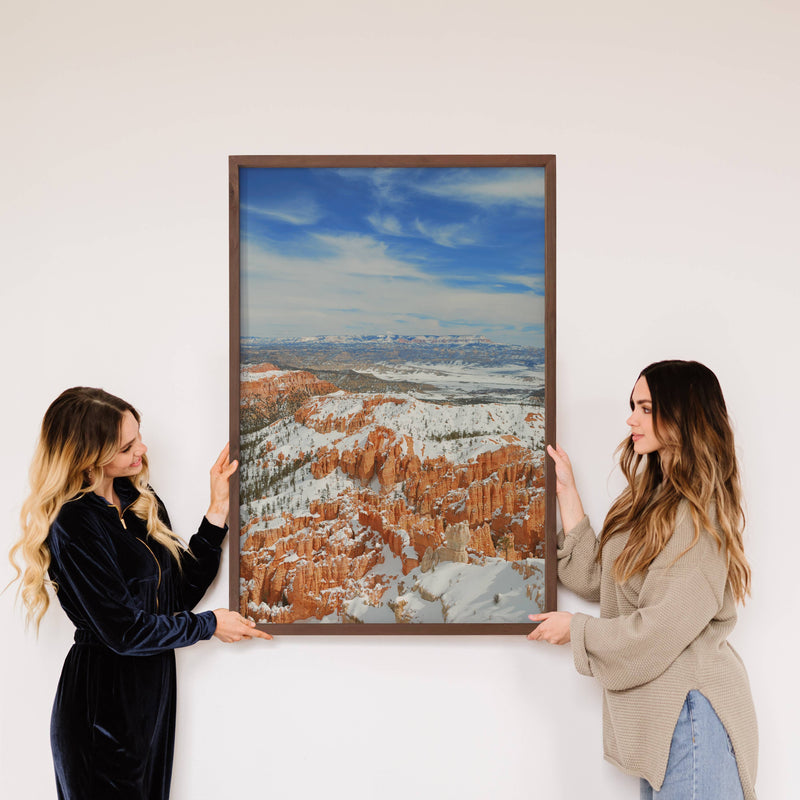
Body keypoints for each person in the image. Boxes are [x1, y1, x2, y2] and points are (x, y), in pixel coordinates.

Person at [9, 386, 272, 800]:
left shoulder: (137, 500)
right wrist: (209, 626)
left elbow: (177, 597)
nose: (142, 450)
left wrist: (217, 510)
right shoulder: (72, 524)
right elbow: (124, 631)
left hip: (149, 699)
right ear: (87, 456)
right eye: (127, 446)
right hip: (102, 707)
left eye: (138, 435)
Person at [527, 360, 757, 800]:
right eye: (633, 405)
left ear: (683, 414)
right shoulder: (652, 502)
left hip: (692, 720)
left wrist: (575, 630)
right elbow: (603, 579)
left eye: (646, 408)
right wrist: (566, 492)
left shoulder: (697, 519)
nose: (631, 418)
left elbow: (657, 633)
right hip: (667, 724)